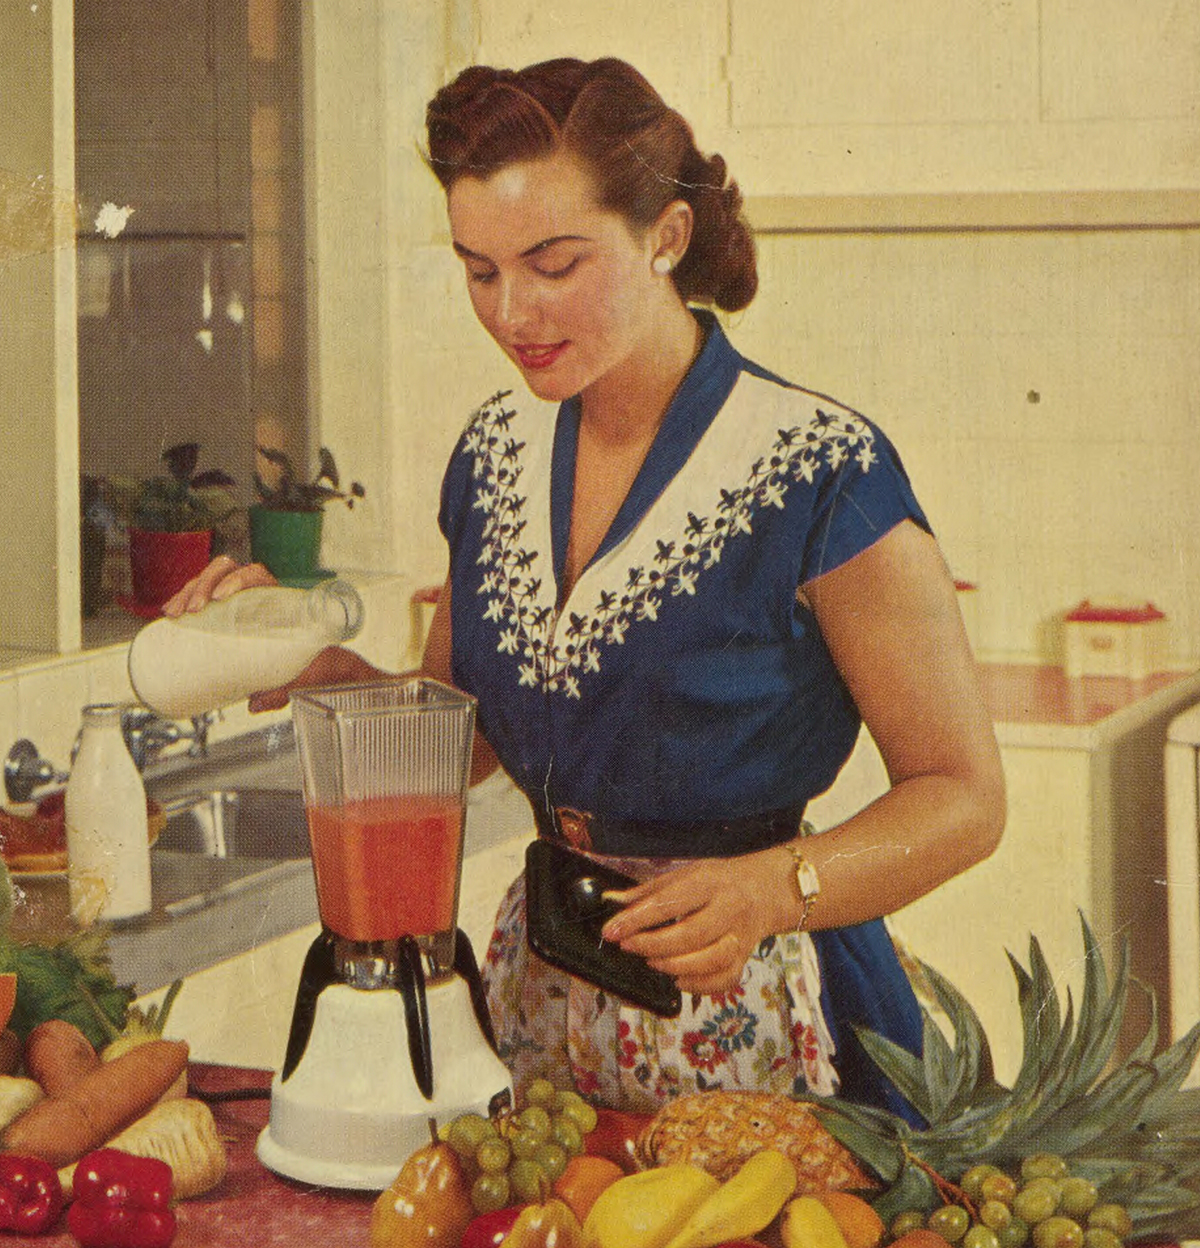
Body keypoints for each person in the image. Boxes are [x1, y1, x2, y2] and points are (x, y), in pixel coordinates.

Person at [167, 57, 1005, 1116]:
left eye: (553, 263)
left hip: (761, 1007)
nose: (512, 312)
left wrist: (767, 886)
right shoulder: (493, 452)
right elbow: (466, 729)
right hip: (544, 991)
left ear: (666, 235)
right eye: (479, 271)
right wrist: (321, 669)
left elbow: (965, 796)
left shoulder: (818, 470)